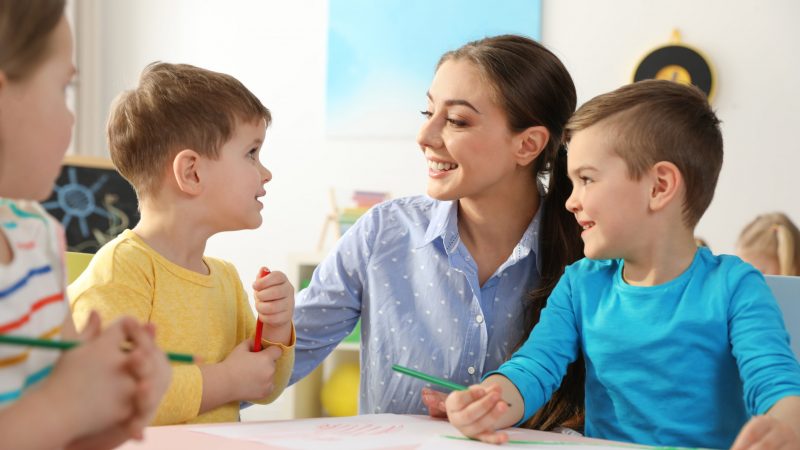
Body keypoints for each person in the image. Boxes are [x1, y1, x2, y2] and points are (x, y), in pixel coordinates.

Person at [444, 80, 800, 449]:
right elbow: (534, 368)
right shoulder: (579, 285)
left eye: (586, 179)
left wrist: (787, 426)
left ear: (659, 187)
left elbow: (776, 384)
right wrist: (488, 400)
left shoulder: (735, 287)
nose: (571, 202)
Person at [292, 34, 585, 430]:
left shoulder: (587, 257)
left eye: (456, 120)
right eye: (427, 112)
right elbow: (286, 354)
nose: (425, 137)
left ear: (528, 144)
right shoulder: (384, 233)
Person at [69, 62, 296, 425]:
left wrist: (274, 328)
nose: (265, 172)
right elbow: (105, 392)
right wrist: (227, 380)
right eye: (251, 153)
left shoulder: (224, 278)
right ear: (192, 172)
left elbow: (265, 386)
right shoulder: (124, 270)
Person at [0, 1, 171, 448]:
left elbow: (58, 436)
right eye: (64, 88)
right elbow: (52, 413)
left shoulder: (37, 237)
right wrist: (67, 404)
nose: (73, 118)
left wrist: (114, 406)